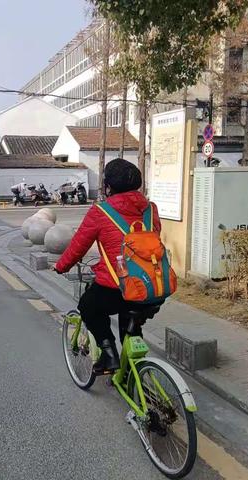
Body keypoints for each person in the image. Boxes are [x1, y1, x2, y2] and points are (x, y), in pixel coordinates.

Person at [54, 158, 161, 375]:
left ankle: (108, 354)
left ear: (108, 186)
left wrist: (61, 266)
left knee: (88, 305)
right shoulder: (151, 209)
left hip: (117, 288)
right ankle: (133, 371)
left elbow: (78, 246)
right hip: (152, 287)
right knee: (131, 321)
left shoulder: (100, 212)